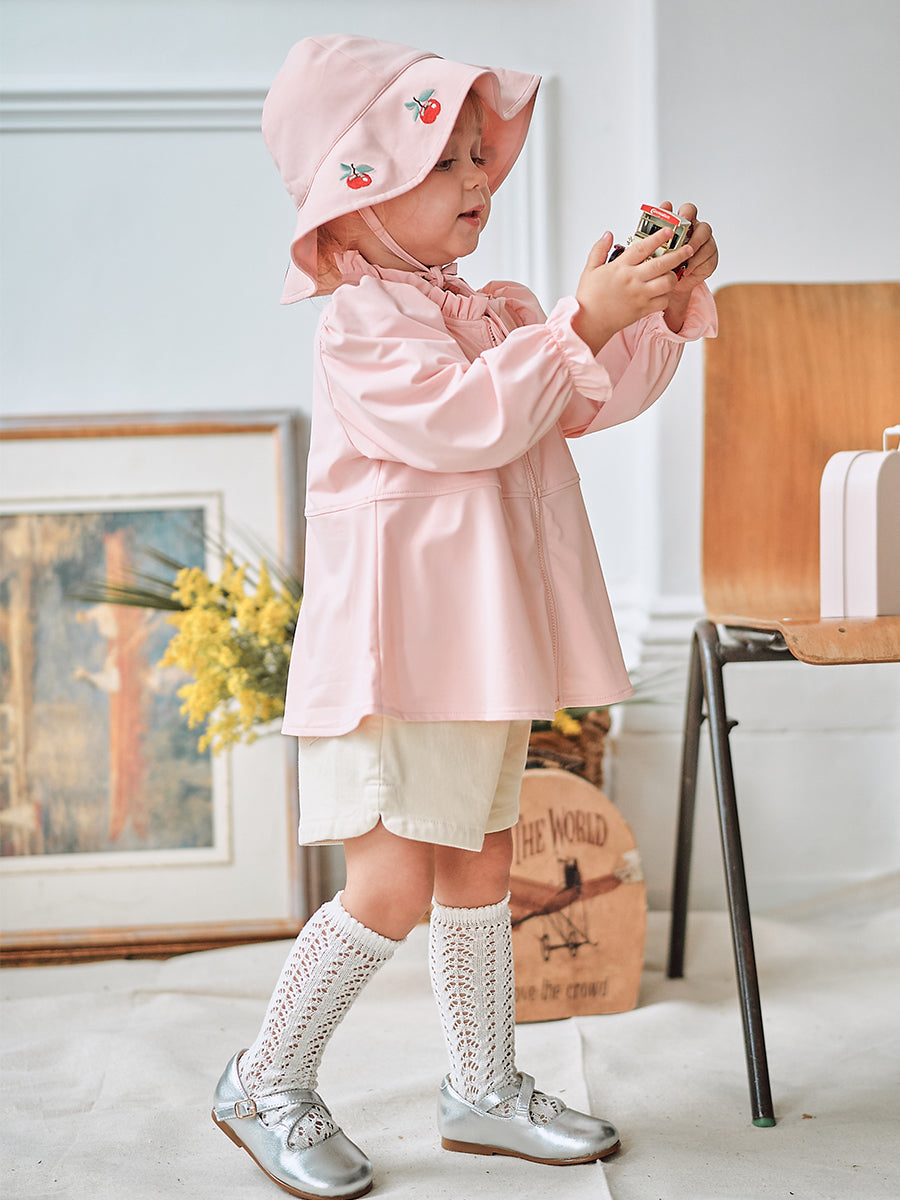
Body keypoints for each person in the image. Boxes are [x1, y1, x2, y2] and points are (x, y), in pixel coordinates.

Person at [212, 33, 718, 1200]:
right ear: (355, 198)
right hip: (399, 657)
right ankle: (264, 1077)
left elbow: (584, 399)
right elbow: (467, 421)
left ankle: (481, 1087)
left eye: (481, 156)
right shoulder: (363, 326)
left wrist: (651, 299)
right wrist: (578, 324)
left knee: (484, 860)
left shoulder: (490, 312)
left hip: (480, 650)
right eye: (445, 162)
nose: (478, 178)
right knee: (391, 883)